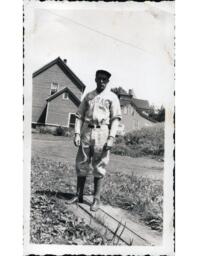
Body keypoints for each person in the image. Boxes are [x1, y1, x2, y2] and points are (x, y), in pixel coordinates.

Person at [67, 70, 122, 211]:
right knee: (82, 162)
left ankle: (96, 199)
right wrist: (77, 134)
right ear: (95, 79)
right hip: (87, 130)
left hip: (102, 131)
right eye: (99, 79)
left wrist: (111, 138)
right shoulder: (89, 96)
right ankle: (78, 195)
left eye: (105, 79)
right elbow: (79, 115)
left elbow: (116, 119)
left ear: (108, 81)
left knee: (99, 164)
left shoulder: (112, 97)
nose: (102, 81)